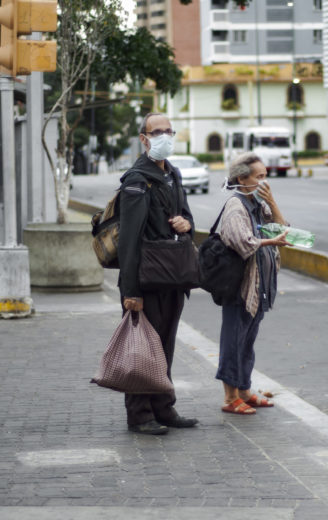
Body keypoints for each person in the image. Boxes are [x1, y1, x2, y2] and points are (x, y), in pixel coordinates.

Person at [118, 112, 198, 435]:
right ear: (144, 138)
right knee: (142, 349)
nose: (164, 136)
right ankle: (139, 414)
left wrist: (186, 223)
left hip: (172, 277)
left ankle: (164, 407)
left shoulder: (173, 175)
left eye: (168, 130)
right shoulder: (137, 180)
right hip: (146, 279)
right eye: (157, 131)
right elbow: (129, 240)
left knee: (164, 345)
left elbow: (188, 217)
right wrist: (130, 291)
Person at [217, 152, 291, 415]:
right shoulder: (236, 205)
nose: (264, 183)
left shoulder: (258, 203)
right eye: (259, 177)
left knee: (247, 341)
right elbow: (243, 243)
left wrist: (272, 202)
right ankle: (229, 398)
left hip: (260, 286)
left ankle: (245, 390)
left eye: (265, 177)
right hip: (240, 286)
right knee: (234, 341)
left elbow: (283, 229)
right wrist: (271, 242)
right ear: (241, 179)